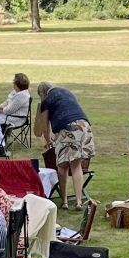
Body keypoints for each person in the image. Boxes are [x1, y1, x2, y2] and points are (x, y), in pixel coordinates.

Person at [34, 80, 92, 210]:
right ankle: (78, 201)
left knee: (62, 166)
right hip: (83, 125)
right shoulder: (66, 92)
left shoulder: (46, 101)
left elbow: (45, 127)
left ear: (41, 94)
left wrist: (49, 141)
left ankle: (64, 201)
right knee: (76, 166)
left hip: (65, 129)